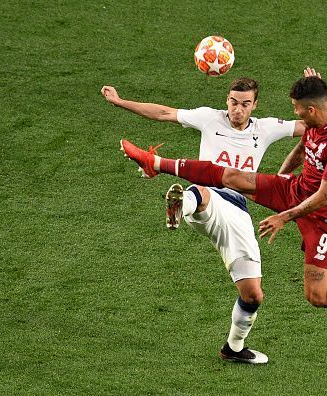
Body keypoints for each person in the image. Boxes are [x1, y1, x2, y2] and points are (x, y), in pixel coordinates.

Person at [120, 69, 327, 311]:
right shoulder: (315, 121)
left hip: (323, 216)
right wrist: (277, 180)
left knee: (319, 297)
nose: (296, 114)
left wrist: (283, 216)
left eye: (298, 109)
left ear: (311, 110)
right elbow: (301, 152)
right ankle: (155, 162)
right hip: (295, 190)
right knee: (233, 177)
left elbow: (325, 196)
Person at [102, 77, 306, 364]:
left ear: (255, 105)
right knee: (202, 189)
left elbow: (313, 123)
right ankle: (180, 203)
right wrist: (120, 102)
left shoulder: (266, 128)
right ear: (227, 100)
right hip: (208, 200)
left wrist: (312, 92)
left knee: (253, 295)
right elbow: (164, 113)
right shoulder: (210, 119)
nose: (238, 110)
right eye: (234, 102)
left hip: (238, 213)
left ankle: (234, 348)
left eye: (245, 104)